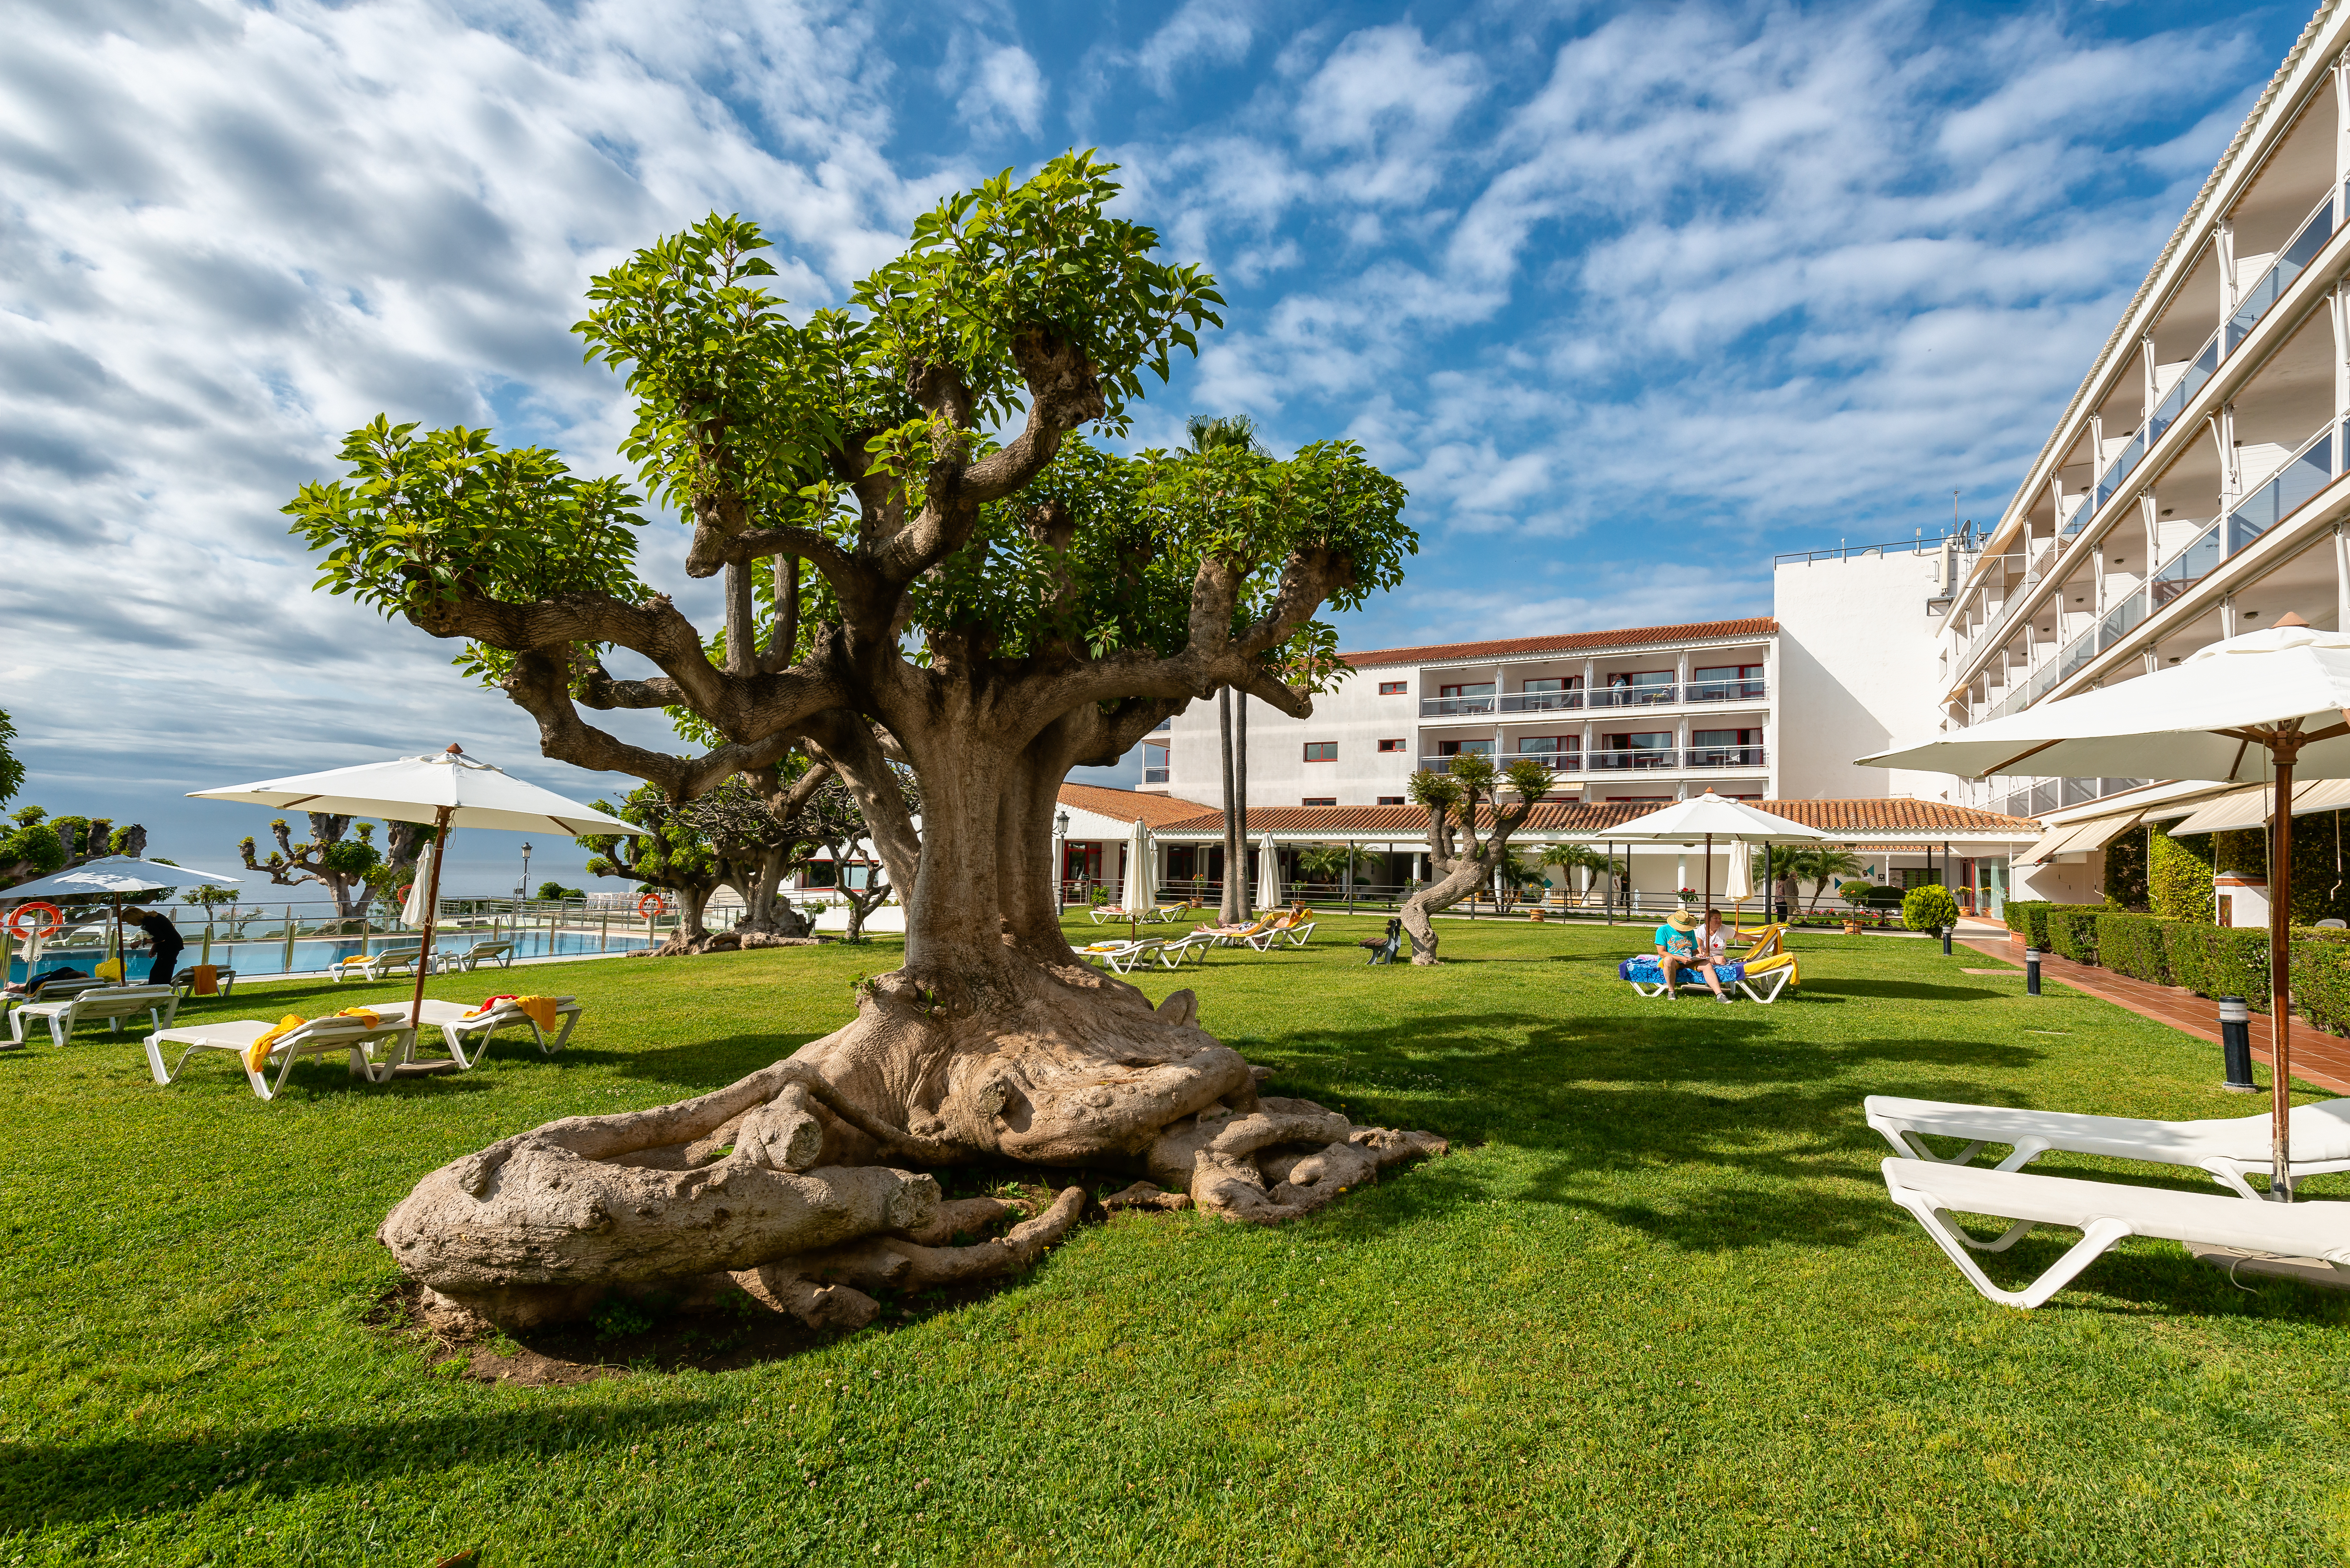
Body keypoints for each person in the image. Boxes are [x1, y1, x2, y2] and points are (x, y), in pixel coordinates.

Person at [1653, 907, 1729, 1001]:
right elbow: (1662, 953)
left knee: (1707, 963)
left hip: (1689, 960)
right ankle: (1671, 992)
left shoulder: (1691, 931)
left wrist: (1699, 956)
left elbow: (1694, 951)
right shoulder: (1663, 931)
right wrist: (1680, 959)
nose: (1685, 930)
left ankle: (1720, 995)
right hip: (1673, 961)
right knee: (1669, 960)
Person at [123, 906, 185, 987]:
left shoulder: (149, 923)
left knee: (159, 972)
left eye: (130, 922)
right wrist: (154, 948)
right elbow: (160, 935)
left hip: (170, 946)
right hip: (173, 945)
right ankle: (162, 987)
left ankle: (160, 988)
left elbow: (161, 938)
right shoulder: (153, 917)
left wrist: (141, 942)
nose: (131, 924)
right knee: (163, 969)